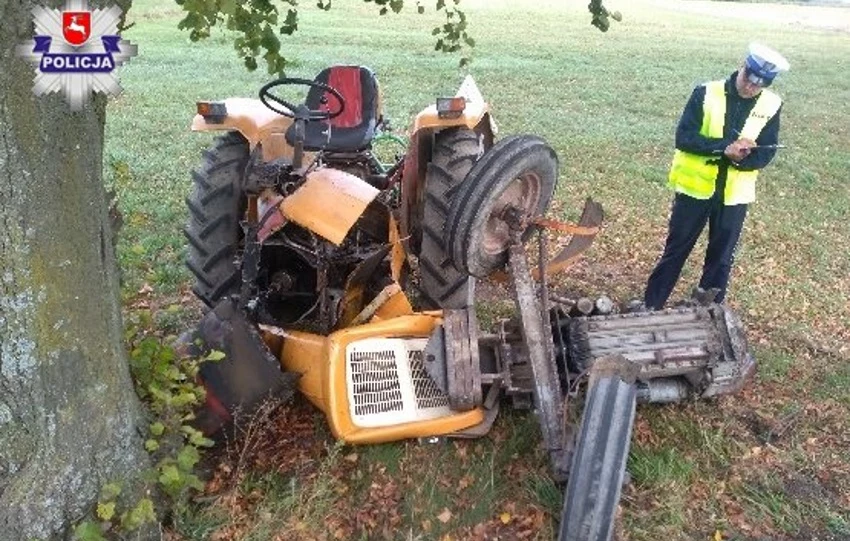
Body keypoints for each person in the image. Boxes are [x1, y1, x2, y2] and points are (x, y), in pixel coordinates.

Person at [643, 43, 789, 310]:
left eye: (758, 85)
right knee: (675, 252)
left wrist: (743, 159)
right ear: (742, 66)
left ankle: (709, 315)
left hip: (734, 196)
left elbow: (767, 151)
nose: (750, 88)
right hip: (694, 190)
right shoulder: (705, 93)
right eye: (748, 79)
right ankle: (651, 306)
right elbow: (684, 137)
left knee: (721, 260)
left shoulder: (772, 104)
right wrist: (724, 148)